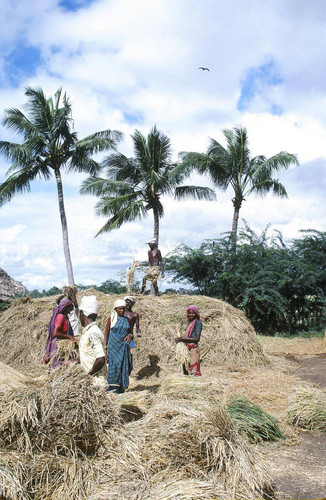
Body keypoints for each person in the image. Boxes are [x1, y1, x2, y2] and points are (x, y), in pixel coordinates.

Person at [104, 299, 133, 393]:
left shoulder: (127, 319)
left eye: (123, 309)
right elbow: (106, 333)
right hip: (113, 346)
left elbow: (130, 332)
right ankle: (112, 388)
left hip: (123, 346)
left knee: (122, 366)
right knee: (113, 366)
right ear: (115, 309)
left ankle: (121, 387)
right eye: (120, 309)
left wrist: (130, 335)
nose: (122, 311)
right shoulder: (111, 319)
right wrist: (105, 347)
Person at [78, 295, 107, 388]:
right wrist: (73, 362)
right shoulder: (88, 331)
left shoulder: (93, 332)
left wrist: (87, 375)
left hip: (96, 384)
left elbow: (101, 359)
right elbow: (91, 356)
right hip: (91, 384)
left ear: (83, 314)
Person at [43, 298, 78, 368]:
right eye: (70, 307)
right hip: (58, 347)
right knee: (56, 366)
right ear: (66, 307)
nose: (71, 309)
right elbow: (55, 333)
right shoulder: (60, 317)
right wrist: (69, 337)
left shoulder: (66, 317)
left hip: (63, 346)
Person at [175, 305, 202, 376]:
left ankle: (196, 382)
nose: (191, 315)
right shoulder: (189, 322)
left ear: (196, 314)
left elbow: (197, 339)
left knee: (194, 368)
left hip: (193, 348)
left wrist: (182, 339)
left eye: (193, 313)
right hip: (186, 347)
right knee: (185, 365)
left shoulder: (198, 323)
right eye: (189, 313)